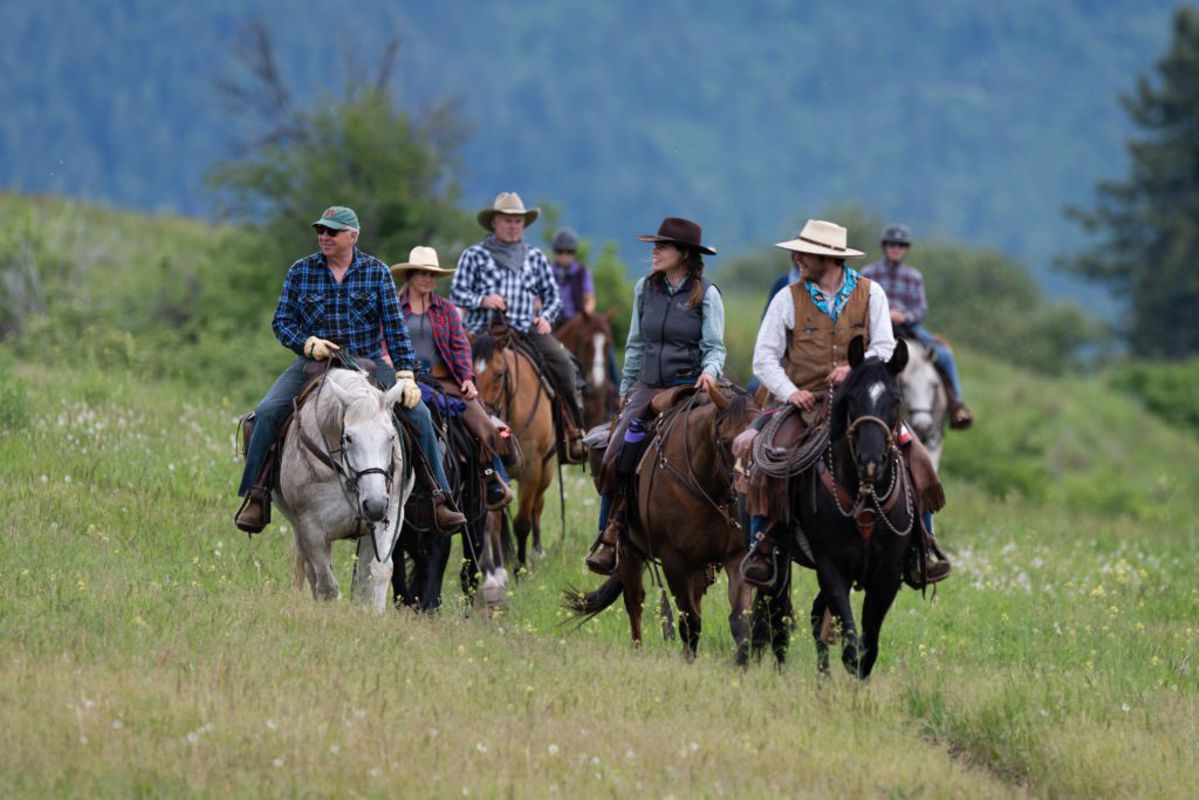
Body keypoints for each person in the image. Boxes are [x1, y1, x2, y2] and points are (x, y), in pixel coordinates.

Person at [739, 218, 950, 586]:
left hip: (859, 399)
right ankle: (764, 546)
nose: (797, 258)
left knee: (913, 455)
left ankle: (921, 546)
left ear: (829, 259)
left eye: (805, 253)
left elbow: (884, 346)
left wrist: (852, 369)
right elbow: (764, 358)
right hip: (803, 401)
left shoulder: (872, 294)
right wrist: (791, 392)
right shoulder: (787, 298)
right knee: (768, 460)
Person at [235, 206, 467, 535]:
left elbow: (395, 328)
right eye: (321, 230)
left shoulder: (377, 272)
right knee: (267, 411)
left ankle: (438, 496)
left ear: (352, 236)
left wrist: (405, 373)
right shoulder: (301, 271)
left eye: (332, 232)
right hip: (313, 362)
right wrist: (306, 343)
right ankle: (256, 496)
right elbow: (281, 322)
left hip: (368, 360)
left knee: (420, 416)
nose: (324, 237)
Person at [584, 217, 726, 575]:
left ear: (684, 254)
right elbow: (635, 344)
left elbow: (715, 348)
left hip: (689, 389)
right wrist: (627, 389)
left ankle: (727, 534)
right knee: (614, 453)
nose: (655, 251)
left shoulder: (706, 294)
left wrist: (710, 374)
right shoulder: (643, 289)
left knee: (723, 452)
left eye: (662, 246)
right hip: (647, 388)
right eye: (655, 246)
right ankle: (610, 534)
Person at [451, 192, 586, 462]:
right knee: (453, 375)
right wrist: (482, 299)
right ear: (494, 223)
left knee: (564, 363)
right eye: (508, 220)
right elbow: (457, 292)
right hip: (483, 335)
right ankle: (451, 437)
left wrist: (546, 316)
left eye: (518, 221)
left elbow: (553, 296)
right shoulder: (474, 255)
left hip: (526, 332)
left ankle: (574, 431)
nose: (514, 225)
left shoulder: (535, 257)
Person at [389, 246, 513, 510]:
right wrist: (389, 361)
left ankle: (490, 479)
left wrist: (467, 378)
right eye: (422, 274)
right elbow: (382, 343)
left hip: (444, 381)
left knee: (483, 423)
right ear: (410, 276)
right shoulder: (393, 308)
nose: (428, 279)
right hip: (403, 380)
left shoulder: (446, 309)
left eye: (432, 275)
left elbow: (460, 347)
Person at [861, 223, 973, 429]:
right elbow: (860, 303)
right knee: (855, 353)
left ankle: (957, 405)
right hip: (877, 325)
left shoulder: (914, 276)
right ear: (884, 246)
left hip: (907, 327)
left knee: (944, 353)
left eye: (901, 245)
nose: (896, 248)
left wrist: (904, 316)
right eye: (892, 244)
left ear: (906, 249)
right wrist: (885, 314)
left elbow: (921, 308)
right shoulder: (869, 272)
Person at [550, 227, 596, 323]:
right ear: (555, 252)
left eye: (569, 251)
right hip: (551, 321)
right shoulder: (546, 271)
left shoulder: (582, 272)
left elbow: (590, 299)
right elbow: (537, 300)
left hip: (575, 322)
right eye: (560, 251)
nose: (565, 255)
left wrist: (584, 317)